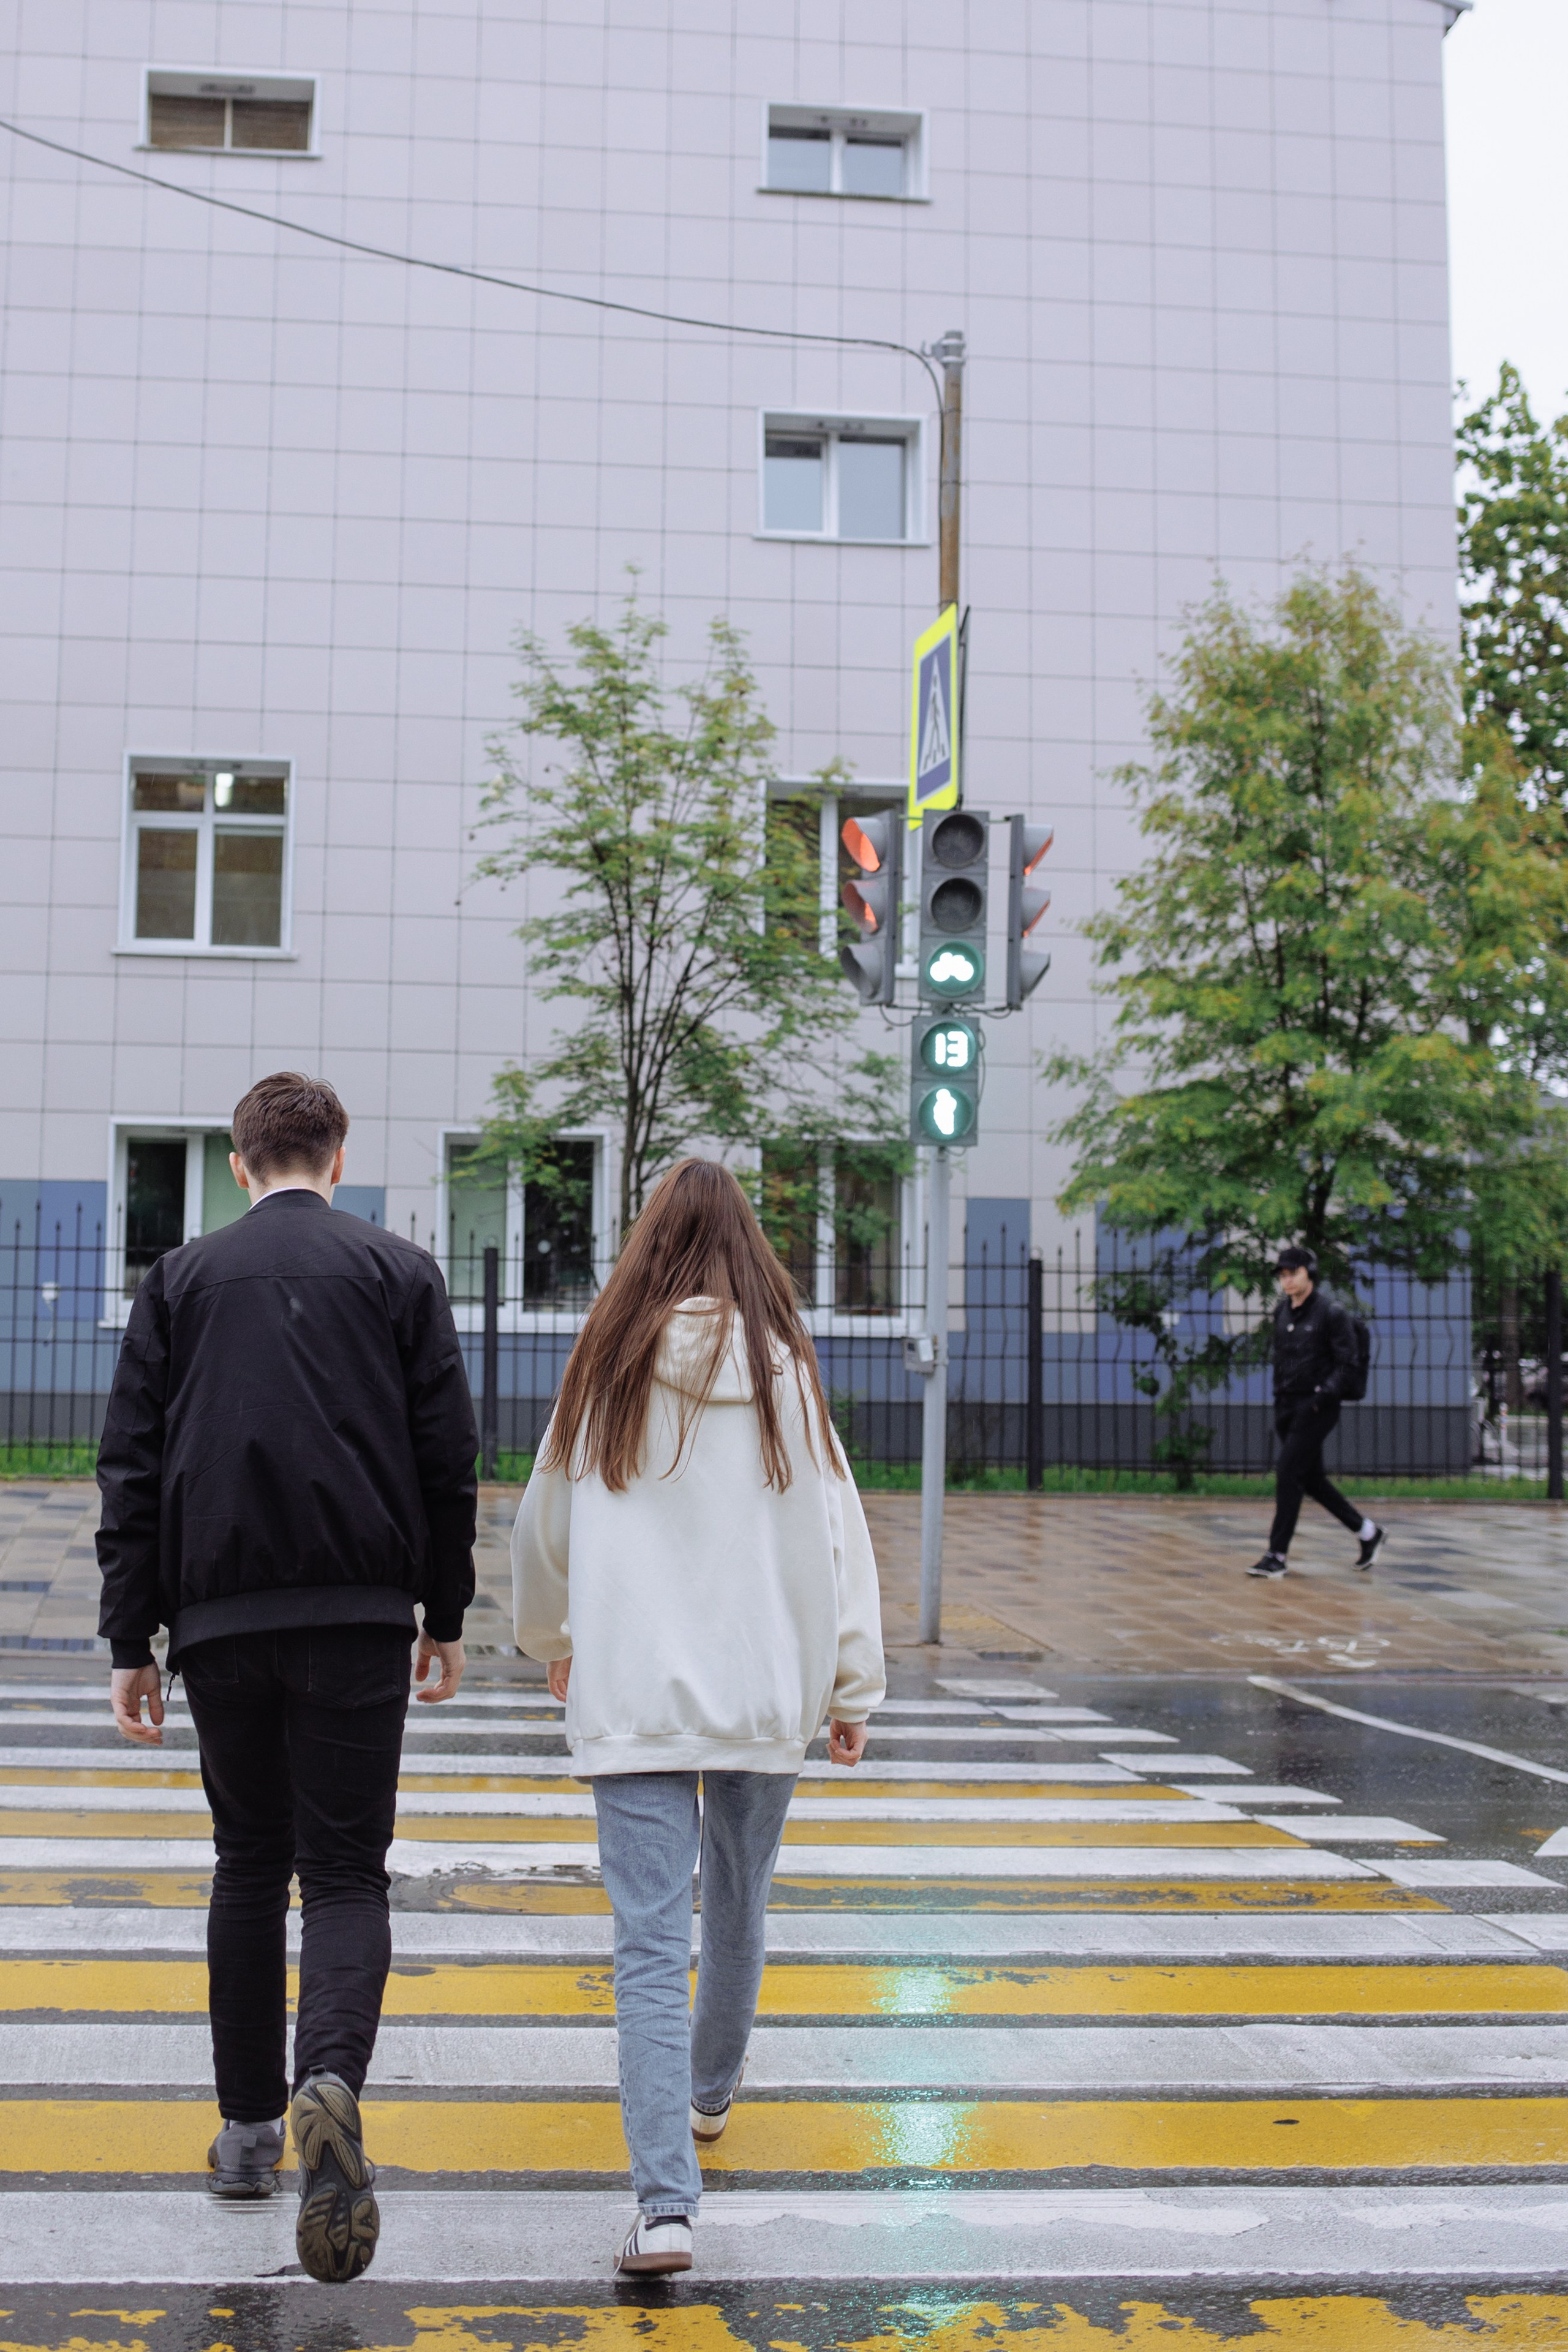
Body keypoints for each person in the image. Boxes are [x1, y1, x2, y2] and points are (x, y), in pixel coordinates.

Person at [96, 1071, 478, 2285]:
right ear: (340, 1153)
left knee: (250, 1866)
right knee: (348, 1872)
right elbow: (447, 1455)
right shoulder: (400, 1274)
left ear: (238, 1162)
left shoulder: (179, 1282)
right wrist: (445, 1610)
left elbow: (133, 1467)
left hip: (218, 1622)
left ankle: (249, 2130)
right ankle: (329, 2079)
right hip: (360, 1616)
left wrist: (128, 1637)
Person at [511, 1158, 884, 2280]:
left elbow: (542, 1530)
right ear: (748, 1250)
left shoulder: (607, 1368)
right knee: (740, 1902)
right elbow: (842, 1537)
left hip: (632, 1691)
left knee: (645, 1941)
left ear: (650, 1246)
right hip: (766, 1687)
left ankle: (665, 2207)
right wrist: (851, 1685)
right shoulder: (787, 1375)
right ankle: (712, 2092)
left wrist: (556, 1644)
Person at [1248, 1245, 1384, 1580]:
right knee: (1311, 1480)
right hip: (1287, 1406)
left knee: (1287, 1473)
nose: (1287, 1280)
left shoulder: (1330, 1313)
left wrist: (1323, 1395)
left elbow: (1347, 1364)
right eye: (1282, 1275)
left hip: (1317, 1407)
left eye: (1293, 1273)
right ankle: (1368, 1533)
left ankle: (1276, 1555)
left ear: (1310, 1273)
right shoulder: (1282, 1312)